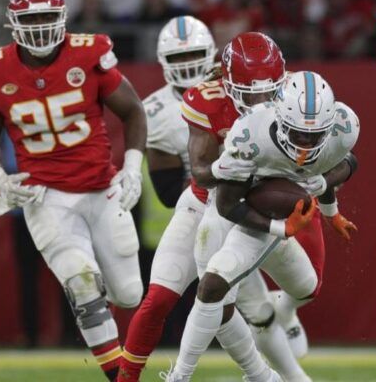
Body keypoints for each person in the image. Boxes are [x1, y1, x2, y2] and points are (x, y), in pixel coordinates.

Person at [0, 0, 147, 379]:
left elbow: (133, 111)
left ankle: (102, 322)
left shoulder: (89, 53)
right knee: (82, 283)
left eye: (45, 17)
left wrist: (132, 167)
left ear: (64, 16)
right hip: (45, 196)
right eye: (29, 20)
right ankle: (119, 375)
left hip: (101, 188)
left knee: (130, 294)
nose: (38, 27)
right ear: (13, 24)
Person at [120, 22, 309, 382]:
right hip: (207, 203)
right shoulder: (199, 101)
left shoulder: (295, 96)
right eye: (179, 56)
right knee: (172, 298)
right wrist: (227, 166)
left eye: (267, 91)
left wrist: (320, 187)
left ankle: (287, 327)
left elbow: (331, 155)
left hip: (258, 205)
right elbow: (197, 176)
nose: (257, 99)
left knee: (305, 286)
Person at [165, 71, 359, 381]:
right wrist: (280, 228)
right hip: (253, 214)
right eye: (298, 134)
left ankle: (283, 314)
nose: (307, 143)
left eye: (315, 135)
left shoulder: (344, 127)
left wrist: (330, 208)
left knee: (307, 288)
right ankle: (180, 376)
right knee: (213, 284)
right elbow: (227, 205)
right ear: (281, 119)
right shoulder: (249, 134)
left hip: (291, 212)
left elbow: (346, 164)